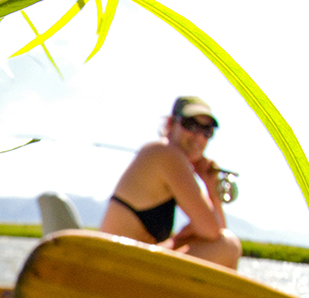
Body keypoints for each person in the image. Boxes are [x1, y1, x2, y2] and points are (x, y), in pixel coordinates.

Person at [99, 96, 241, 269]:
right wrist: (211, 189)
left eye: (207, 131)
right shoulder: (167, 153)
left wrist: (210, 186)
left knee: (210, 239)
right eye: (191, 125)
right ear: (170, 124)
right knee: (229, 246)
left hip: (125, 265)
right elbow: (214, 232)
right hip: (116, 268)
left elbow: (215, 232)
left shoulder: (166, 156)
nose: (199, 136)